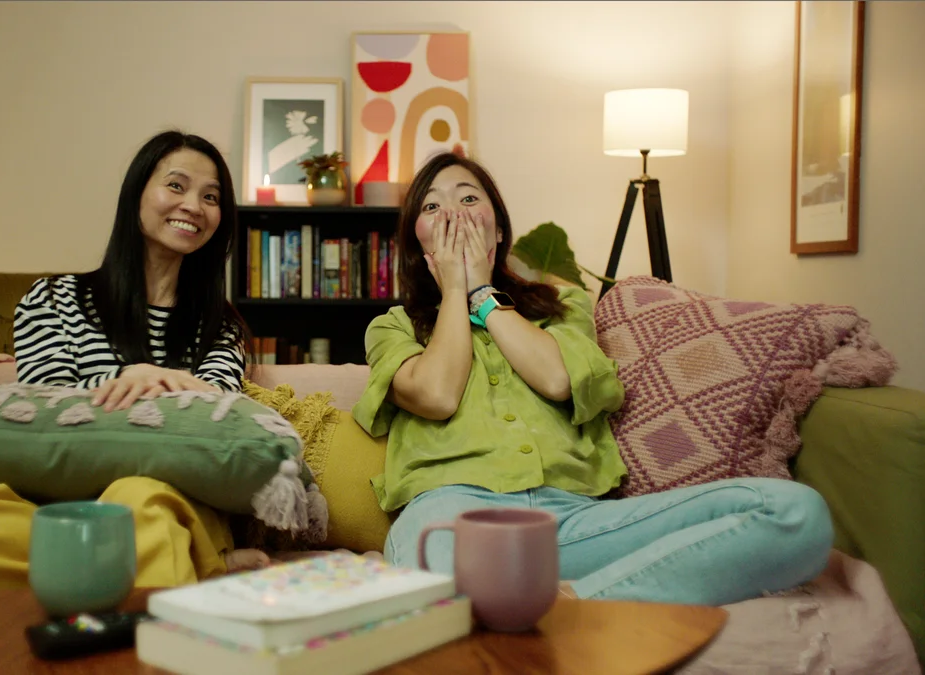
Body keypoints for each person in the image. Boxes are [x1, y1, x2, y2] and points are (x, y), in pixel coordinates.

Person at [351, 152, 834, 605]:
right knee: (436, 576)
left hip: (576, 522)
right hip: (451, 518)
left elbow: (559, 379)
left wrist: (480, 293)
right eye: (433, 205)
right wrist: (453, 288)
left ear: (498, 232)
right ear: (418, 242)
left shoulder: (562, 308)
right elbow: (437, 395)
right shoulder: (393, 327)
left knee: (795, 513)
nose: (453, 213)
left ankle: (571, 608)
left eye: (469, 197)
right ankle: (564, 610)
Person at [0, 130, 270, 593]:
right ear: (136, 194)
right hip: (55, 506)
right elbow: (50, 408)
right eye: (176, 185)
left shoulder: (221, 326)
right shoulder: (53, 298)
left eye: (211, 197)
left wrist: (140, 380)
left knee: (139, 502)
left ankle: (110, 574)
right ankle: (187, 564)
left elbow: (219, 415)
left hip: (163, 499)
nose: (193, 204)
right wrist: (147, 380)